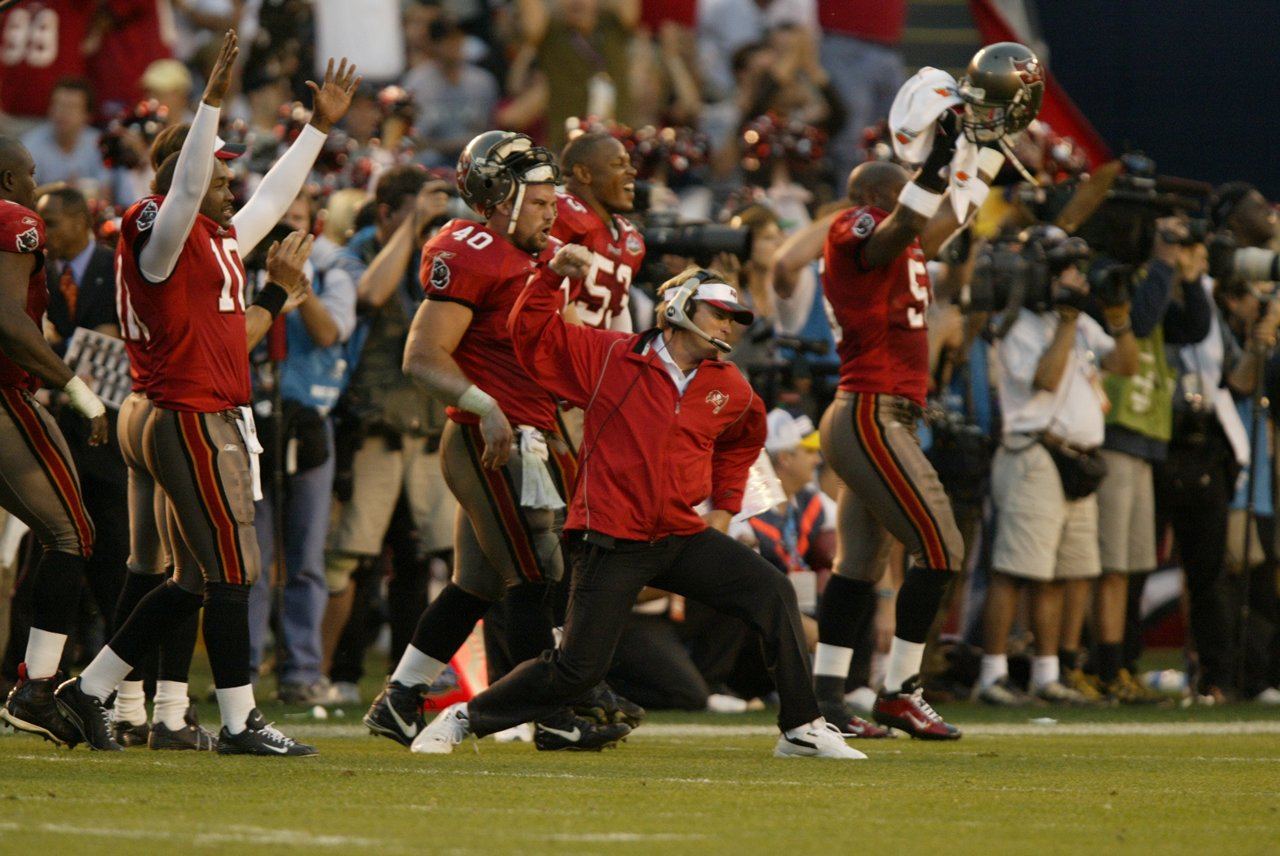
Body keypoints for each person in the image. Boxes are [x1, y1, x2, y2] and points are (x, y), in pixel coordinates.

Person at [413, 260, 862, 759]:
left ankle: (801, 726)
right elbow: (530, 335)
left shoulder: (730, 383)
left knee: (772, 592)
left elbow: (742, 442)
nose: (728, 325)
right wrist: (548, 279)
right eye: (719, 313)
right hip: (612, 539)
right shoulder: (609, 356)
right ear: (677, 308)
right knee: (576, 670)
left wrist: (725, 507)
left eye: (734, 317)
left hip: (679, 533)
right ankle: (463, 718)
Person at [57, 33, 358, 755]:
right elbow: (188, 187)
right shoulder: (158, 226)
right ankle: (237, 720)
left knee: (193, 575)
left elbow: (273, 196)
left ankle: (94, 689)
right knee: (229, 568)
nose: (234, 190)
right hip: (187, 410)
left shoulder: (216, 238)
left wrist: (320, 128)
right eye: (223, 180)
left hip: (193, 405)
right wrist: (213, 100)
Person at [362, 131, 590, 750]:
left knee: (477, 584)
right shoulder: (470, 250)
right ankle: (550, 712)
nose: (553, 212)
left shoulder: (535, 256)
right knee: (534, 575)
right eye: (540, 202)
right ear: (499, 197)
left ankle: (400, 699)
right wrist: (483, 404)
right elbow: (422, 356)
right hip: (487, 439)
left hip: (528, 434)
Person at [811, 122, 1004, 739]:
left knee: (860, 563)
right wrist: (933, 166)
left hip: (880, 413)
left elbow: (947, 224)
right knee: (941, 547)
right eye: (909, 192)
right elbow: (898, 228)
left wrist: (992, 151)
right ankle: (900, 691)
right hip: (870, 410)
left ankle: (825, 701)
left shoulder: (908, 240)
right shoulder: (856, 228)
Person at [976, 226, 1138, 706]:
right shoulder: (1016, 324)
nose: (1076, 278)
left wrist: (1119, 316)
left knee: (1063, 574)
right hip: (1034, 452)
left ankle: (1046, 674)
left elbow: (1126, 364)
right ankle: (992, 673)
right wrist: (1067, 320)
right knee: (1015, 570)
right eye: (1066, 268)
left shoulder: (1083, 324)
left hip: (1078, 459)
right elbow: (1044, 381)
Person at [0, 136, 109, 746]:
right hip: (4, 396)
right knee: (71, 532)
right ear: (8, 180)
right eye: (30, 174)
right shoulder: (14, 219)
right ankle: (37, 687)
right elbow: (7, 319)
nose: (35, 187)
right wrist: (76, 388)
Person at [554, 131, 644, 333]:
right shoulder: (559, 212)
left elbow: (616, 311)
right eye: (618, 164)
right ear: (584, 174)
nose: (631, 172)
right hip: (552, 349)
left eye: (629, 164)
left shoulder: (629, 237)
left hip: (593, 352)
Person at [20, 79, 109, 192]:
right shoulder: (29, 145)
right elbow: (24, 194)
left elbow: (107, 191)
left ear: (87, 115)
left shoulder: (101, 144)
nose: (63, 112)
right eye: (58, 105)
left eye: (72, 107)